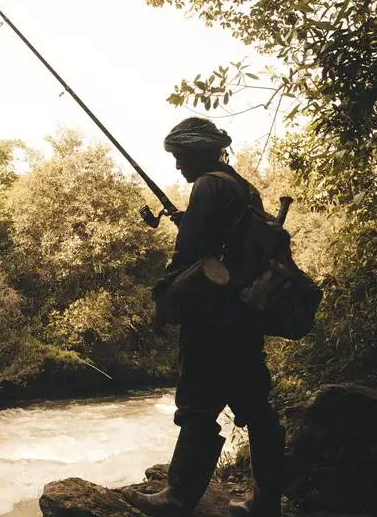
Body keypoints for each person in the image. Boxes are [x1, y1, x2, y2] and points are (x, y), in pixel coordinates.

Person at [122, 117, 284, 517]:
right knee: (255, 406)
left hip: (212, 316)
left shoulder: (208, 186)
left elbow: (191, 251)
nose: (177, 166)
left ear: (198, 151)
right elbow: (231, 243)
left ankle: (179, 496)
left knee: (196, 402)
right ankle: (266, 502)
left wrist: (167, 293)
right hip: (245, 316)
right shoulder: (245, 189)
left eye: (180, 156)